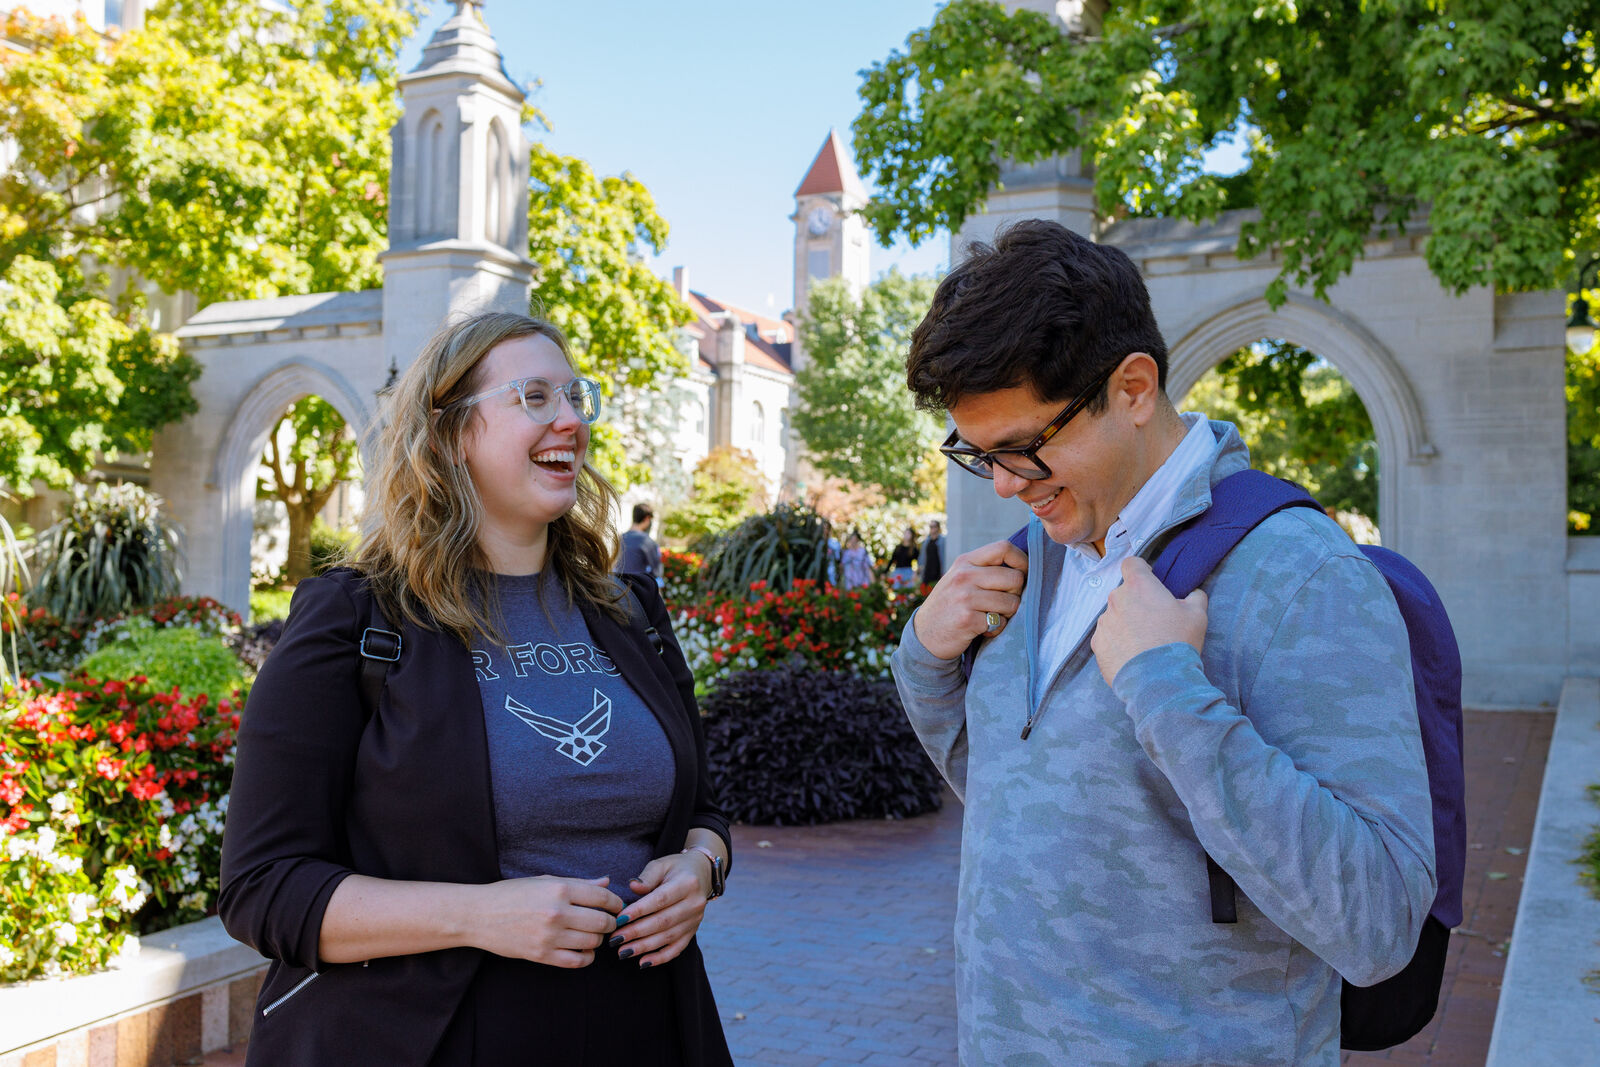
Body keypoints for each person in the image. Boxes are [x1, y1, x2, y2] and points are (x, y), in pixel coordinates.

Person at [890, 220, 1434, 1065]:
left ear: (1134, 388)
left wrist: (1169, 692)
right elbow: (1022, 799)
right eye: (977, 454)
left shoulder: (1301, 574)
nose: (1002, 485)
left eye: (1023, 449)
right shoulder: (1031, 559)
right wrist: (925, 659)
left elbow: (1379, 921)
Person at [219, 312, 734, 1066]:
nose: (569, 419)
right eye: (533, 396)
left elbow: (702, 810)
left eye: (574, 395)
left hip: (649, 1025)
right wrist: (481, 914)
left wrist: (701, 868)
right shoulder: (354, 615)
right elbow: (263, 887)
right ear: (453, 433)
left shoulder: (629, 609)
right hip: (432, 1036)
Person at [619, 502, 663, 587]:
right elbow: (657, 571)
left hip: (618, 588)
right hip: (638, 590)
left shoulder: (619, 539)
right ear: (647, 518)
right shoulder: (647, 541)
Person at [918, 519, 947, 586]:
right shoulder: (926, 541)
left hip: (938, 572)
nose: (933, 528)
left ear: (938, 528)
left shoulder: (943, 540)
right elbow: (922, 556)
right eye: (931, 526)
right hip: (927, 572)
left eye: (934, 526)